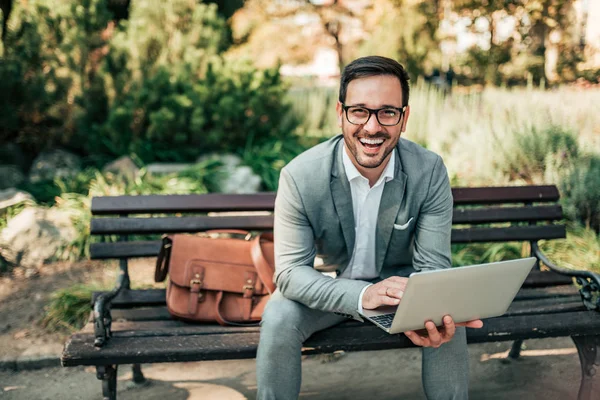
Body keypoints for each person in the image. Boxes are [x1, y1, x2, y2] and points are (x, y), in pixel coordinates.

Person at [256, 55, 483, 400]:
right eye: (359, 110)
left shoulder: (429, 170)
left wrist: (423, 305)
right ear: (340, 113)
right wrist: (362, 296)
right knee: (278, 315)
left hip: (399, 292)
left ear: (404, 118)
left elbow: (433, 268)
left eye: (387, 112)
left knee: (446, 313)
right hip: (329, 291)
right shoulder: (300, 176)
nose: (372, 127)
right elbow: (289, 274)